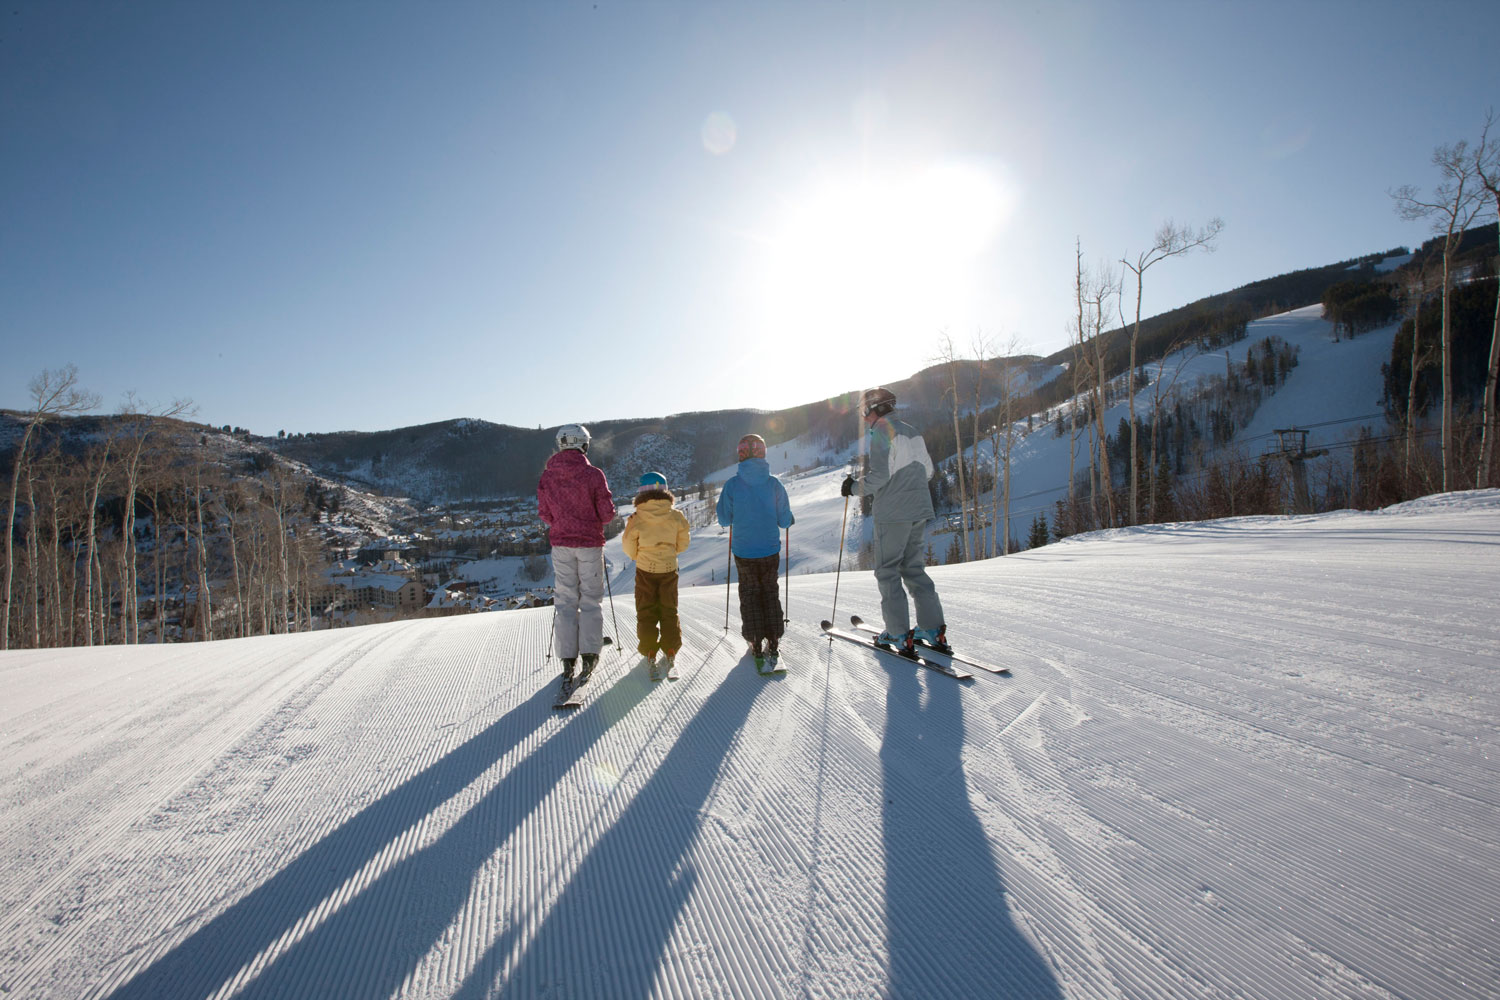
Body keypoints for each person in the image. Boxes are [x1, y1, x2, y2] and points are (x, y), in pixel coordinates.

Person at [841, 387, 948, 656]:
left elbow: (879, 477)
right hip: (919, 508)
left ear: (872, 408)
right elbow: (928, 471)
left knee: (888, 571)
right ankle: (933, 630)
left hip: (893, 513)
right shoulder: (912, 431)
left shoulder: (880, 433)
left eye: (863, 411)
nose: (863, 417)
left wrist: (853, 487)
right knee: (914, 569)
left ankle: (899, 634)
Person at [537, 423, 616, 683]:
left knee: (566, 600)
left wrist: (562, 522)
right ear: (584, 444)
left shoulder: (547, 477)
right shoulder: (593, 474)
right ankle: (590, 652)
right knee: (591, 600)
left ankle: (567, 658)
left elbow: (545, 514)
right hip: (589, 544)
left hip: (561, 545)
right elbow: (606, 514)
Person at [716, 433, 794, 667]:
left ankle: (755, 640)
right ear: (763, 453)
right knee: (770, 591)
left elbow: (723, 519)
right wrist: (789, 518)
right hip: (770, 549)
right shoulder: (774, 483)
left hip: (744, 551)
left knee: (749, 594)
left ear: (741, 454)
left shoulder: (732, 485)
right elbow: (784, 520)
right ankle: (774, 638)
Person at [622, 471, 690, 678]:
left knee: (646, 610)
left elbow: (628, 546)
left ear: (641, 493)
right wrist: (670, 553)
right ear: (665, 490)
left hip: (645, 570)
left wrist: (640, 556)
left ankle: (650, 649)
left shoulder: (636, 518)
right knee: (669, 609)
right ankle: (670, 648)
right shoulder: (676, 515)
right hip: (669, 569)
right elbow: (683, 543)